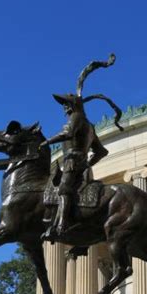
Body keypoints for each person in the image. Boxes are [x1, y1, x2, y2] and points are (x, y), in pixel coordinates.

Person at [39, 93, 109, 234]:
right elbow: (101, 151)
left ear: (74, 104)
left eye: (66, 103)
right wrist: (88, 163)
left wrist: (46, 142)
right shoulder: (90, 126)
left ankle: (62, 224)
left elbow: (67, 134)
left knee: (63, 189)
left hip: (72, 161)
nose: (64, 107)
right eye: (63, 104)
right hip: (80, 163)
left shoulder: (76, 118)